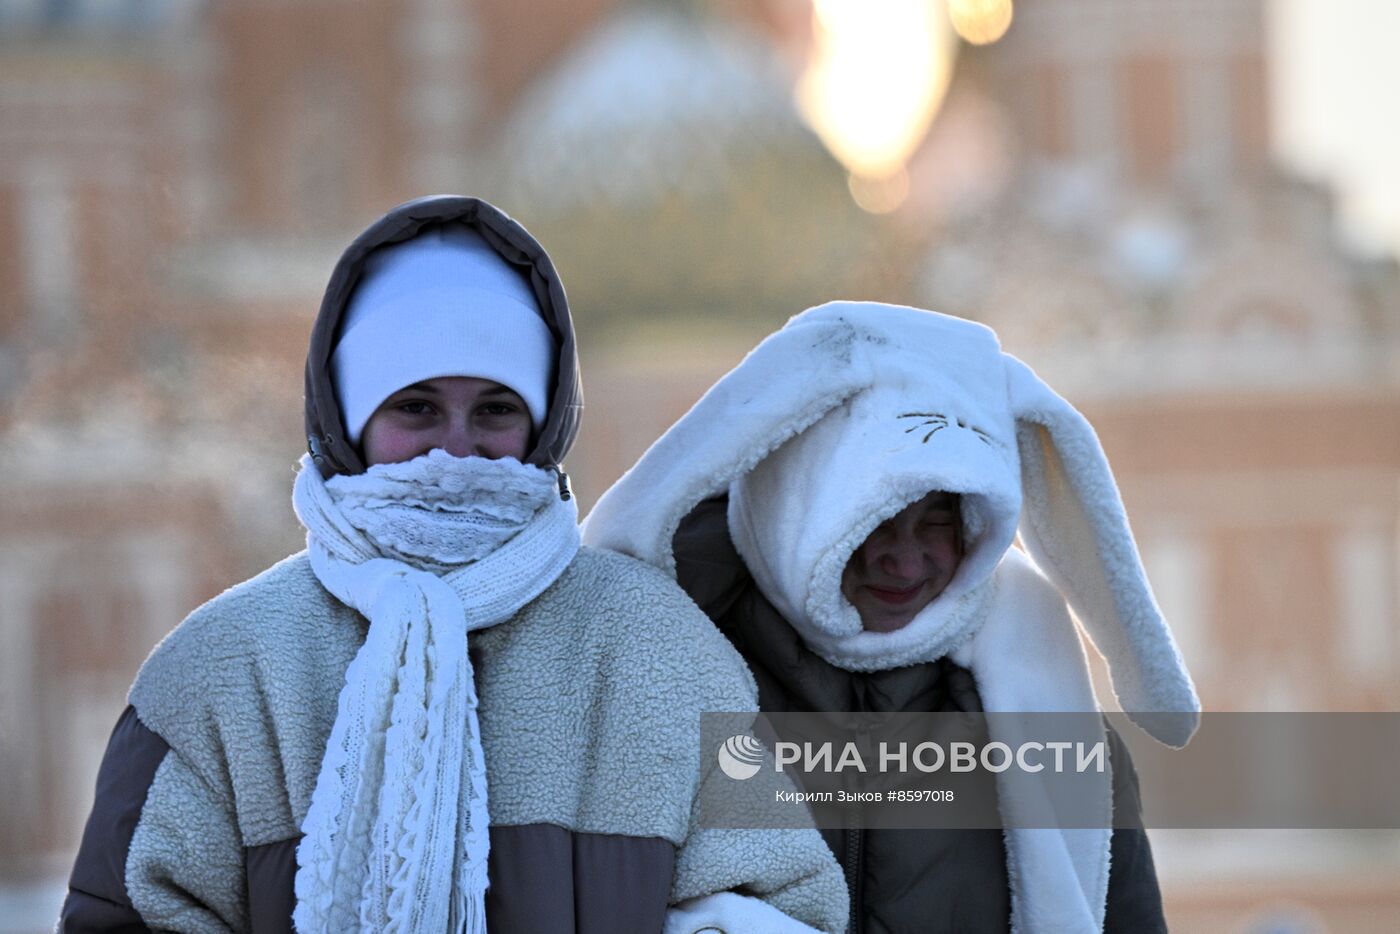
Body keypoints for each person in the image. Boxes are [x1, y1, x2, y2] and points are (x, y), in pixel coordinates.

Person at [59, 196, 846, 933]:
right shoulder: (226, 674)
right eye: (416, 407)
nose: (457, 448)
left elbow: (778, 905)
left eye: (497, 410)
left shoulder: (657, 654)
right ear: (346, 420)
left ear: (545, 427)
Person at [583, 301, 1202, 933]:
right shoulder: (657, 686)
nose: (905, 562)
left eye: (940, 517)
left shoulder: (1058, 726)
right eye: (871, 519)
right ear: (799, 504)